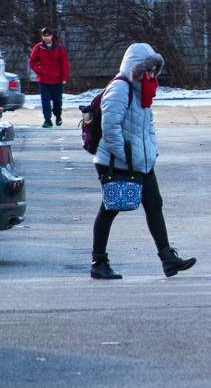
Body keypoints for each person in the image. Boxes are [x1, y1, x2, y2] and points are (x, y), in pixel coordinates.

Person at [90, 42, 196, 279]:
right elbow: (110, 127)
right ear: (135, 68)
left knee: (154, 202)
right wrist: (126, 158)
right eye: (147, 69)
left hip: (139, 159)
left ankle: (168, 259)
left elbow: (147, 125)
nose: (151, 74)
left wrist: (151, 151)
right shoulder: (120, 88)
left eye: (154, 70)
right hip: (116, 160)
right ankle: (99, 262)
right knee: (110, 208)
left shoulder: (143, 90)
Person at [29, 27, 70, 128]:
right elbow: (32, 62)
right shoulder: (39, 48)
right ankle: (47, 120)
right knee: (45, 100)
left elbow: (64, 63)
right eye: (45, 36)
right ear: (42, 37)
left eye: (48, 35)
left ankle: (58, 116)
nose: (47, 38)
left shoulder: (59, 47)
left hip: (57, 79)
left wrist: (64, 78)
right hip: (44, 79)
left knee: (57, 100)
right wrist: (39, 71)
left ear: (52, 36)